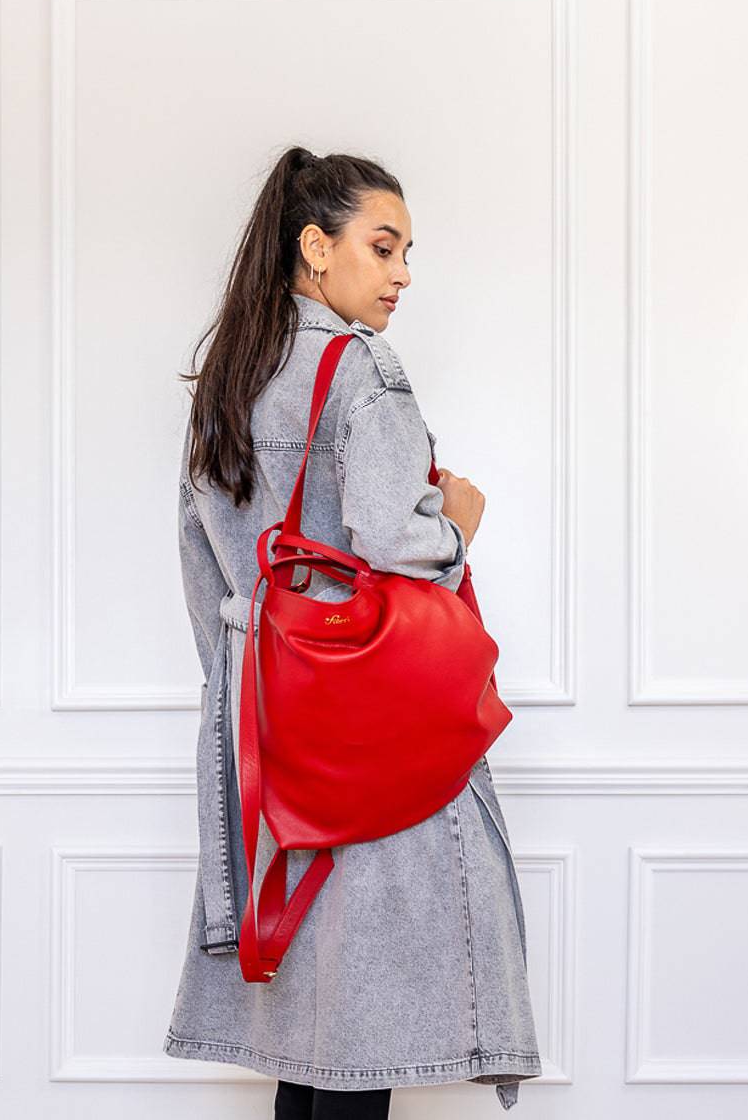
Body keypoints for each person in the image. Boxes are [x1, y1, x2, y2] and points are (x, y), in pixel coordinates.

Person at [162, 146, 543, 1116]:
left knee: (310, 1041)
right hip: (373, 744)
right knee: (362, 1046)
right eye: (384, 248)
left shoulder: (227, 385)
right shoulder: (359, 366)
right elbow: (390, 541)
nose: (404, 273)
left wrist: (253, 689)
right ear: (315, 247)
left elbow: (206, 575)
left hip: (272, 744)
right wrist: (454, 521)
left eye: (408, 251)